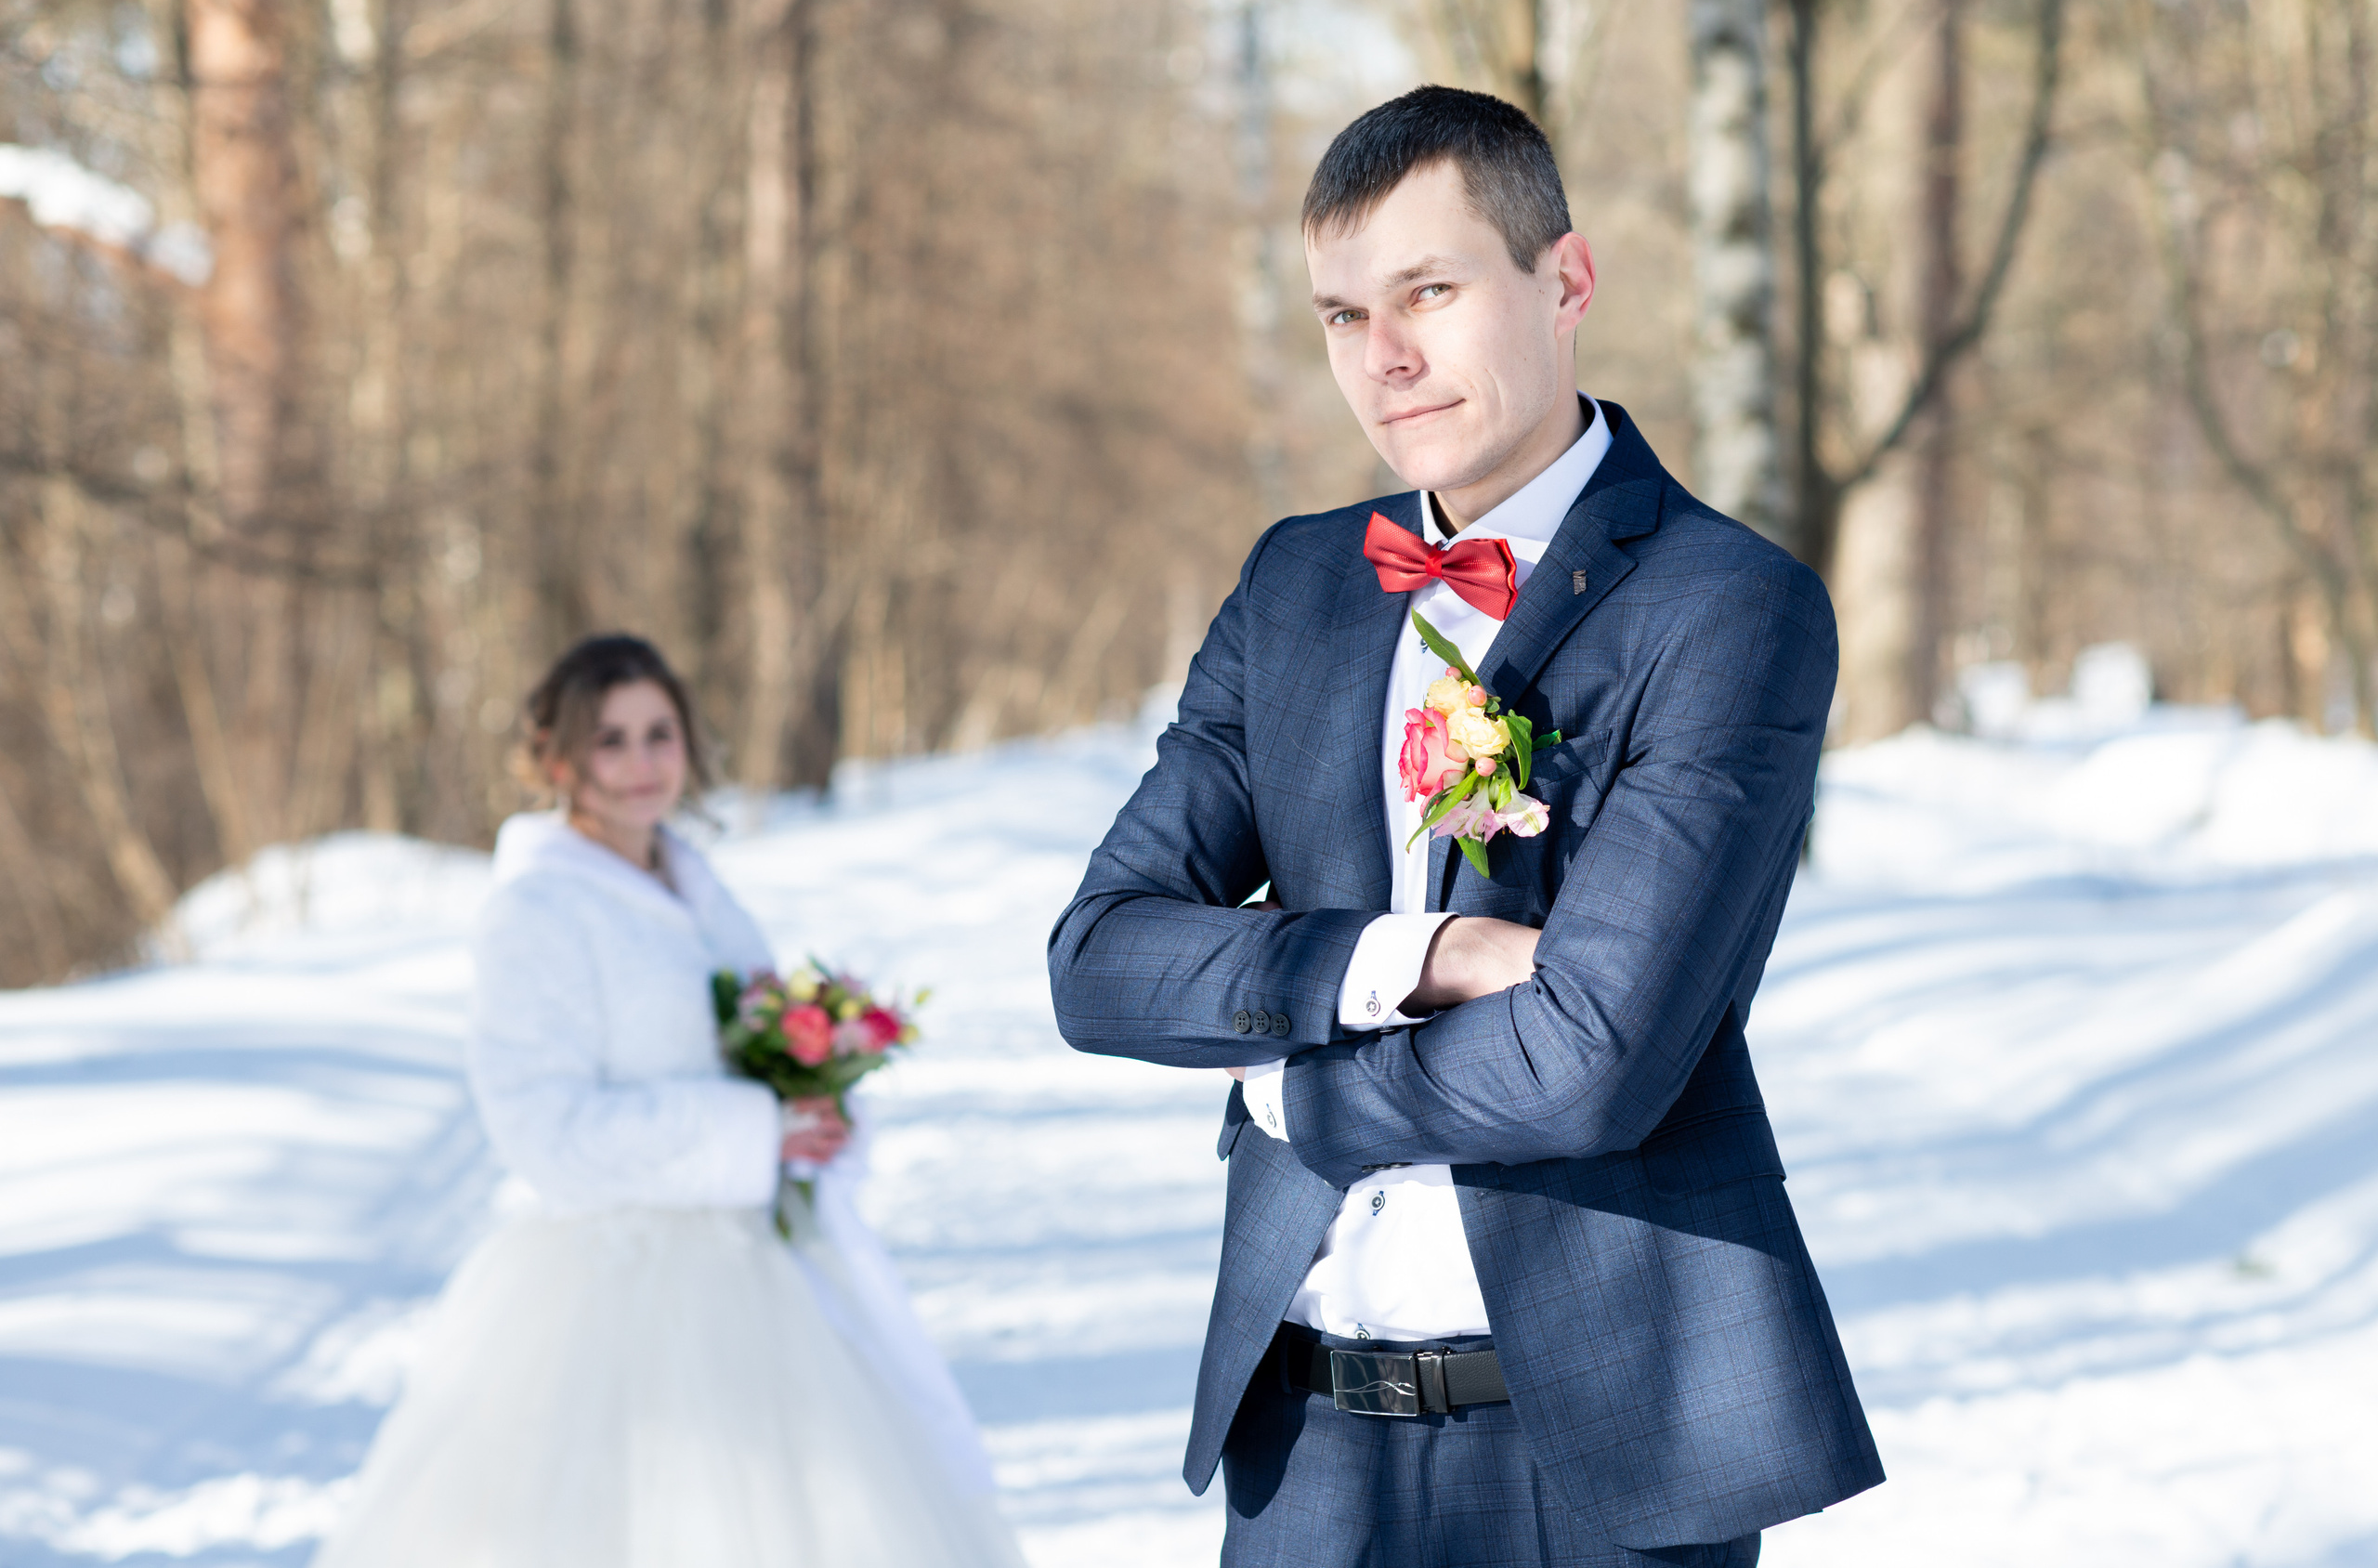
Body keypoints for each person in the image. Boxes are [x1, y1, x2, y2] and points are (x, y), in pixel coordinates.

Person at [1049, 87, 1882, 1566]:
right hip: (1299, 1442)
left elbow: (1591, 1060)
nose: (1386, 357)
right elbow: (1100, 960)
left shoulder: (1726, 606)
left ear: (1564, 282)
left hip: (1595, 1455)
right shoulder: (1298, 586)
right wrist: (1409, 955)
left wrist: (1292, 1099)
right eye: (1342, 312)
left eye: (1430, 290)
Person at [313, 633, 1024, 1568]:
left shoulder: (696, 882)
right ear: (557, 757)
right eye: (610, 739)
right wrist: (753, 1130)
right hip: (611, 1288)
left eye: (660, 732)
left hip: (753, 1268)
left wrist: (811, 1105)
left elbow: (741, 1049)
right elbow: (544, 1132)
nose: (643, 762)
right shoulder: (537, 911)